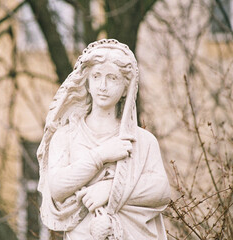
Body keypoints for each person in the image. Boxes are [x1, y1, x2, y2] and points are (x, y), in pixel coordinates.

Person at [37, 39, 171, 240]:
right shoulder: (66, 136)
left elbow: (160, 189)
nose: (103, 86)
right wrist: (100, 155)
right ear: (87, 82)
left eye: (112, 78)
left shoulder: (142, 141)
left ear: (126, 87)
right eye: (97, 76)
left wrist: (110, 190)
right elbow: (56, 187)